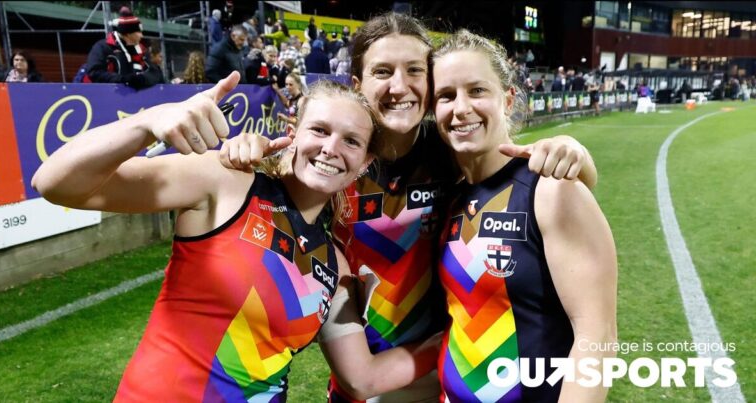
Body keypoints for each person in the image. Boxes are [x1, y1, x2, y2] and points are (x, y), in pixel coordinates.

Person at [222, 12, 598, 403]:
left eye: (414, 71)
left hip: (436, 385)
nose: (398, 86)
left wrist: (578, 157)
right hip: (356, 384)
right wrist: (240, 150)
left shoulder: (452, 153)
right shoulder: (334, 166)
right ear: (357, 84)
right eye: (382, 71)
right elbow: (269, 186)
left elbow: (525, 185)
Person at [33, 72, 440, 401]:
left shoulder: (335, 263)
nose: (331, 148)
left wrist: (455, 342)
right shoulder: (227, 183)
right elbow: (56, 183)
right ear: (293, 132)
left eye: (351, 141)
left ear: (364, 163)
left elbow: (362, 379)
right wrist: (146, 123)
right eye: (319, 130)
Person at [432, 29, 617, 402]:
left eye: (477, 90)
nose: (461, 107)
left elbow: (598, 336)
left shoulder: (551, 189)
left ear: (508, 99)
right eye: (446, 96)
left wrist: (571, 147)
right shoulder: (451, 196)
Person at [83, 6, 163, 89]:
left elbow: (155, 73)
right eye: (138, 32)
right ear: (128, 34)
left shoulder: (141, 49)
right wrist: (121, 79)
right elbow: (94, 72)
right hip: (108, 95)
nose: (141, 35)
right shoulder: (102, 47)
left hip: (136, 97)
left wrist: (142, 79)